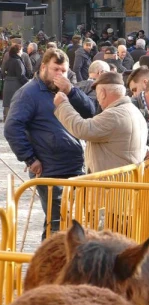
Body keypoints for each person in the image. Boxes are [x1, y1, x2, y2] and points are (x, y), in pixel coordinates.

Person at [4, 49, 96, 238]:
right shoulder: (28, 93)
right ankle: (50, 255)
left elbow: (90, 112)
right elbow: (12, 127)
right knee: (56, 224)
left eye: (63, 71)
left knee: (77, 223)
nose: (59, 75)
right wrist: (30, 158)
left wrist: (72, 91)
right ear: (43, 67)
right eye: (56, 70)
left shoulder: (67, 90)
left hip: (74, 165)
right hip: (49, 168)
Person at [53, 72, 147, 173]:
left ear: (102, 93)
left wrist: (62, 105)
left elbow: (82, 128)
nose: (97, 99)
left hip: (111, 181)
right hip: (124, 179)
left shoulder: (114, 115)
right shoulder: (133, 111)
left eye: (97, 94)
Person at [2, 44, 30, 119]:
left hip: (8, 85)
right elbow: (21, 76)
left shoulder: (9, 60)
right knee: (16, 106)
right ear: (18, 51)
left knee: (8, 106)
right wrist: (29, 83)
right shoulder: (18, 61)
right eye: (21, 50)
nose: (22, 52)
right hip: (16, 86)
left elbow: (3, 73)